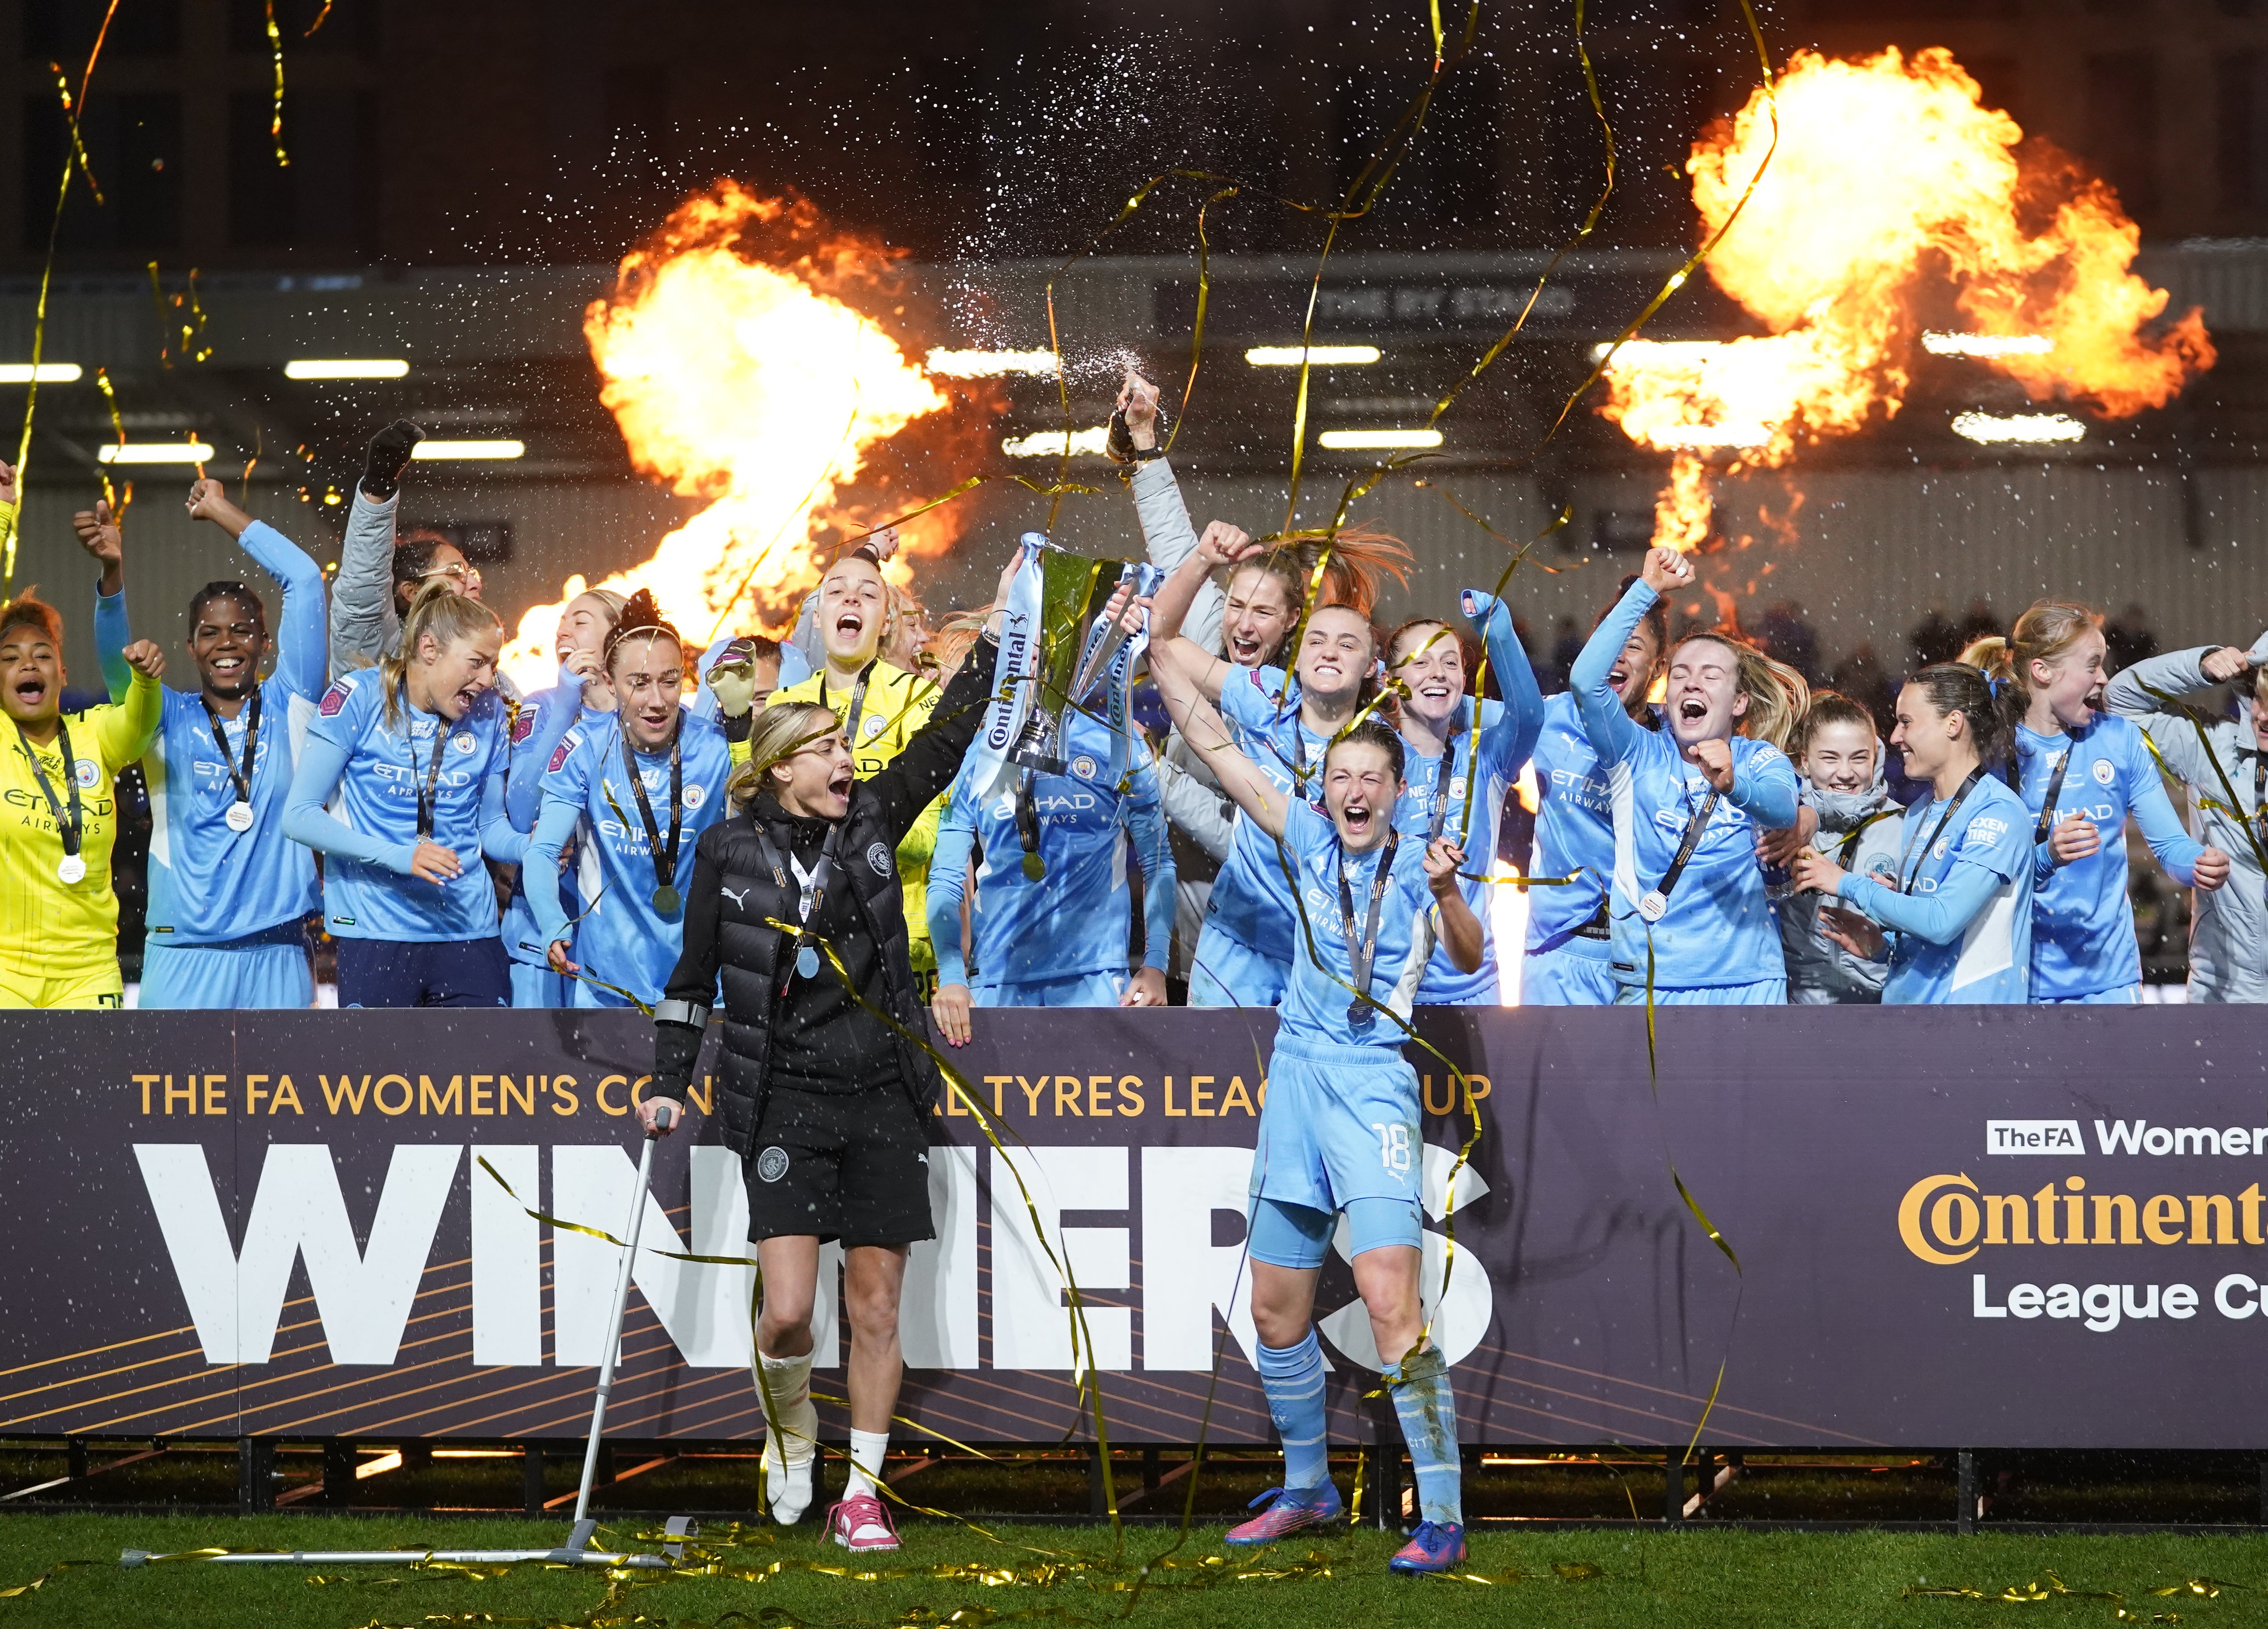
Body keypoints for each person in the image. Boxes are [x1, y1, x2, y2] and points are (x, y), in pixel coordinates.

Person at [639, 547, 1014, 1554]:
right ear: (777, 767)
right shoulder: (727, 854)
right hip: (784, 1098)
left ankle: (862, 1494)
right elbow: (688, 987)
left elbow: (944, 736)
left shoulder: (874, 823)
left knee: (877, 1300)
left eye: (850, 753)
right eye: (827, 753)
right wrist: (668, 1083)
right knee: (789, 1318)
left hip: (881, 1089)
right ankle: (791, 1426)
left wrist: (1006, 623)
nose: (848, 764)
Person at [1146, 636, 1482, 1575]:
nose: (1354, 789)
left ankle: (1443, 1513)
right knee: (1273, 1309)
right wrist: (1150, 653)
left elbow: (1463, 951)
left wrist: (1450, 890)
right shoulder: (1299, 832)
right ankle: (1307, 1489)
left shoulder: (1424, 862)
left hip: (1372, 1078)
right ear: (1325, 784)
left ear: (1396, 788)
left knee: (1388, 1304)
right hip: (1294, 1076)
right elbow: (1214, 747)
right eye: (1340, 774)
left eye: (1371, 776)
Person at [84, 481, 327, 1007]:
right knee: (168, 1092)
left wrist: (220, 511)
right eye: (211, 633)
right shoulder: (163, 716)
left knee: (283, 1093)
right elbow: (113, 663)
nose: (227, 644)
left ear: (266, 643)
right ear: (191, 645)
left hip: (278, 949)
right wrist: (111, 576)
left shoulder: (293, 704)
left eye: (242, 630)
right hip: (184, 952)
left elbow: (306, 581)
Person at [1962, 603, 2229, 1004]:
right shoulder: (1994, 751)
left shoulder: (2119, 740)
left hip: (2111, 980)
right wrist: (2047, 855)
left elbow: (2170, 846)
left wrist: (2197, 863)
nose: (2104, 678)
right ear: (2042, 671)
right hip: (2019, 979)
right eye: (2092, 665)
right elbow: (1981, 879)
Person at [1571, 548, 1800, 1005]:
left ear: (1738, 703)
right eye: (1680, 675)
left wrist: (1734, 784)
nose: (1692, 684)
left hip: (1746, 983)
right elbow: (1584, 681)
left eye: (1710, 675)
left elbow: (1782, 808)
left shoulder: (1757, 758)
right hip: (1651, 984)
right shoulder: (1634, 751)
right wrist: (1646, 591)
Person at [284, 579, 523, 1007]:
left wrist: (534, 844)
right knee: (381, 1076)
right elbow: (299, 816)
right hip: (376, 934)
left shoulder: (489, 711)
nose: (488, 679)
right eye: (477, 662)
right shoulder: (359, 698)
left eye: (493, 664)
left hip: (469, 933)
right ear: (429, 650)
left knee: (482, 1074)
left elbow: (489, 826)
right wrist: (400, 855)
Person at [926, 633, 1172, 1034]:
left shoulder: (1118, 744)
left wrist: (1155, 964)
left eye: (1055, 650)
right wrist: (953, 974)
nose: (1041, 666)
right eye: (1031, 653)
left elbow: (1158, 863)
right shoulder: (982, 752)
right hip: (997, 976)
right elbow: (946, 876)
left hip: (1095, 977)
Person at [751, 533, 952, 995]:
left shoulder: (918, 698)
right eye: (836, 590)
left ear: (885, 622)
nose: (851, 598)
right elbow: (762, 826)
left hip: (900, 934)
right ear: (817, 616)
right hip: (806, 932)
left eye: (867, 593)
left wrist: (829, 831)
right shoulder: (785, 704)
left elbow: (928, 839)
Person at [525, 592, 734, 1008]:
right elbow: (544, 851)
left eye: (669, 680)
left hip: (704, 982)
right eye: (638, 683)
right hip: (609, 985)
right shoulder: (585, 748)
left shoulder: (716, 749)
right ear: (609, 683)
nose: (656, 700)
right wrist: (552, 922)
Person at [1792, 664, 2034, 1003]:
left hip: (1973, 1029)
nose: (1894, 737)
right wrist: (1880, 946)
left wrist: (1845, 883)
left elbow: (1941, 922)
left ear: (1953, 724)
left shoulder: (1996, 813)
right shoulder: (1920, 810)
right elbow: (1924, 938)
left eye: (1906, 722)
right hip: (1907, 1019)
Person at [0, 552, 165, 1010]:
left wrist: (146, 683)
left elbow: (139, 723)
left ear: (63, 674)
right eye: (10, 658)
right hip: (4, 974)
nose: (28, 666)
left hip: (88, 974)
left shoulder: (94, 733)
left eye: (42, 656)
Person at [1386, 593, 1544, 1004]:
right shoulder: (1369, 762)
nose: (1437, 673)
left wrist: (1499, 631)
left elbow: (1527, 716)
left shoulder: (1485, 758)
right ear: (1390, 679)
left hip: (1470, 988)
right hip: (1387, 991)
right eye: (1421, 662)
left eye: (1451, 663)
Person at [1524, 577, 1668, 1006]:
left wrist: (1804, 812)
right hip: (1558, 956)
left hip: (1648, 955)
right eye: (1610, 641)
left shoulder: (1675, 740)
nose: (1618, 654)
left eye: (1635, 645)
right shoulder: (1549, 716)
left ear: (1658, 668)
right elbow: (1451, 711)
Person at [2103, 631, 2268, 1001]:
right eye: (2258, 698)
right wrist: (2201, 665)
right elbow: (2120, 700)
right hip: (2223, 992)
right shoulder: (2211, 746)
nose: (2263, 715)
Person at [500, 587, 625, 1007]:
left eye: (580, 620)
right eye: (562, 622)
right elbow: (520, 811)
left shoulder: (645, 719)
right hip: (539, 933)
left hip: (616, 932)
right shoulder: (541, 706)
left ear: (617, 638)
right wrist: (567, 701)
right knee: (534, 1070)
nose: (563, 629)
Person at [1766, 692, 1901, 1005]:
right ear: (1803, 761)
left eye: (1858, 758)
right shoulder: (1784, 826)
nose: (1845, 772)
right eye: (1830, 758)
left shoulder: (1903, 825)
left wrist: (1885, 938)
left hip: (1878, 1006)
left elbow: (1921, 933)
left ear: (1876, 758)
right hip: (1799, 1006)